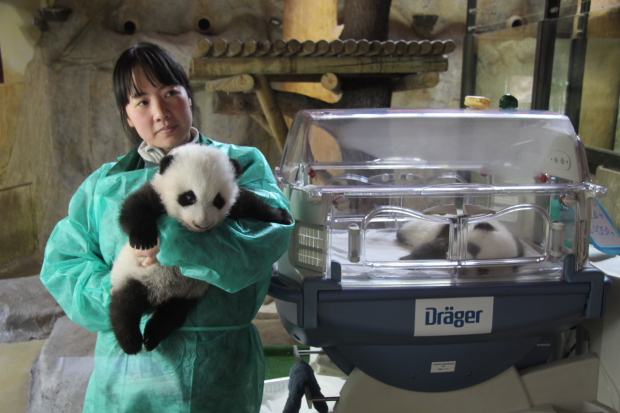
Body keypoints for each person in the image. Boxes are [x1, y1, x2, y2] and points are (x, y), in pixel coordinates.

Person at [40, 42, 294, 413]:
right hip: (128, 376)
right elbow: (64, 264)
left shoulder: (240, 165)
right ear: (127, 116)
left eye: (170, 93)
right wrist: (125, 299)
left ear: (189, 97)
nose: (160, 112)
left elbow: (267, 238)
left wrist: (177, 242)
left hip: (220, 372)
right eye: (141, 101)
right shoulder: (102, 186)